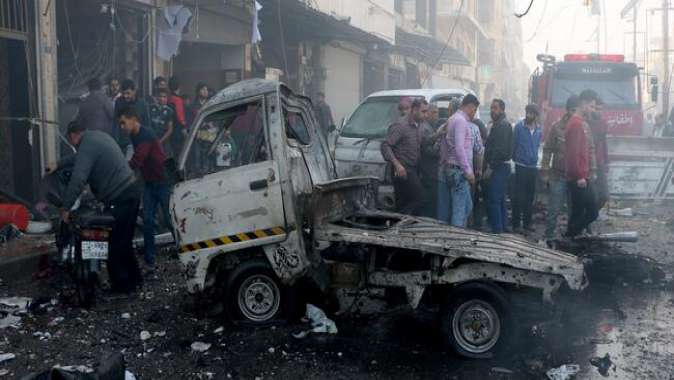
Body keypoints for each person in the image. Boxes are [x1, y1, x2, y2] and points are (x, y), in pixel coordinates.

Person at [49, 121, 142, 294]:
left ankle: (122, 288)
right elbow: (78, 159)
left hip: (120, 195)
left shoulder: (87, 144)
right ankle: (135, 280)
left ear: (74, 135)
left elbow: (78, 179)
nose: (73, 145)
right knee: (124, 241)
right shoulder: (96, 136)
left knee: (114, 245)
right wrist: (59, 163)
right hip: (130, 191)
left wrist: (66, 208)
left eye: (71, 141)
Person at [119, 106, 172, 274]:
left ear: (133, 119)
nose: (122, 127)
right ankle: (150, 262)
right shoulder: (134, 135)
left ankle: (187, 252)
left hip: (163, 182)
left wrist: (120, 172)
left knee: (171, 222)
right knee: (148, 222)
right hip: (150, 184)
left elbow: (137, 161)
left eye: (123, 123)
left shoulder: (145, 135)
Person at [437, 95, 480, 227]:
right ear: (470, 106)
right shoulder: (461, 121)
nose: (474, 114)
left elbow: (444, 145)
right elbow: (459, 148)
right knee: (460, 211)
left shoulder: (452, 119)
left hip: (451, 169)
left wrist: (444, 164)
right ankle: (457, 242)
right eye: (474, 110)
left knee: (467, 206)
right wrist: (468, 171)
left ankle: (455, 234)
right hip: (459, 171)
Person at [381, 99, 428, 215]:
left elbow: (423, 143)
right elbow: (385, 145)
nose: (425, 115)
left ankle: (401, 227)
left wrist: (438, 134)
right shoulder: (401, 125)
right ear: (415, 110)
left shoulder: (420, 125)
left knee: (405, 201)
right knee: (420, 198)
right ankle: (399, 222)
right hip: (403, 168)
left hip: (414, 168)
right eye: (423, 111)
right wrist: (397, 165)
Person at [541, 96, 577, 245]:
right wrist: (545, 171)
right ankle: (548, 235)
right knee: (554, 208)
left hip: (575, 177)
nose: (575, 114)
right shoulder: (556, 127)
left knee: (574, 209)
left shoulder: (582, 127)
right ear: (567, 110)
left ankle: (572, 235)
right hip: (558, 175)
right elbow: (547, 149)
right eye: (573, 110)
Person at [565, 90, 599, 238]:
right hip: (578, 178)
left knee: (579, 212)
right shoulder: (576, 124)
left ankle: (571, 238)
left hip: (582, 176)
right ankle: (570, 236)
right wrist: (580, 176)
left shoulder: (578, 123)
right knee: (592, 212)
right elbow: (573, 153)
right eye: (591, 106)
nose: (592, 110)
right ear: (583, 104)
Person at [511, 104, 542, 233]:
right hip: (521, 166)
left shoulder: (539, 130)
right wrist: (517, 159)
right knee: (518, 196)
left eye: (531, 113)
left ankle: (527, 223)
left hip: (532, 167)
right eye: (527, 112)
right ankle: (516, 224)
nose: (528, 115)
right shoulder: (519, 127)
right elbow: (513, 145)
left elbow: (537, 146)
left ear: (536, 115)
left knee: (530, 197)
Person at [484, 99, 512, 234]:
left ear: (502, 109)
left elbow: (500, 150)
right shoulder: (499, 124)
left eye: (495, 108)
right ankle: (503, 228)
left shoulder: (502, 125)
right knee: (500, 199)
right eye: (491, 108)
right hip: (501, 166)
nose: (492, 111)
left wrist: (491, 167)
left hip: (499, 166)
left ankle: (497, 232)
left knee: (494, 199)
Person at [115, 79, 151, 157]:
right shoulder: (119, 102)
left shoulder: (143, 104)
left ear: (134, 91)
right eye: (123, 93)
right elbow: (116, 124)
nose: (125, 96)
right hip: (122, 143)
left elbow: (147, 125)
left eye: (128, 93)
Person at [419, 104, 441, 218]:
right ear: (427, 114)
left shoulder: (431, 127)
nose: (436, 115)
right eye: (434, 113)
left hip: (432, 171)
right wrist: (440, 152)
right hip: (428, 171)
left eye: (437, 112)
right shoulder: (425, 128)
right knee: (430, 200)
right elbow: (426, 150)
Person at [588, 98, 609, 210]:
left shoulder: (603, 123)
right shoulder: (585, 123)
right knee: (591, 195)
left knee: (604, 195)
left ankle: (592, 214)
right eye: (596, 109)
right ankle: (588, 219)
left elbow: (604, 143)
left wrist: (606, 162)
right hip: (588, 164)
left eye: (601, 109)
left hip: (599, 162)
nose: (599, 111)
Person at [149, 87, 175, 164]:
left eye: (164, 97)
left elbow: (170, 130)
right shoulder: (151, 108)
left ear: (167, 98)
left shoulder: (169, 111)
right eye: (160, 96)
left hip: (164, 142)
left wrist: (160, 141)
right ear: (157, 97)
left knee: (165, 163)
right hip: (152, 140)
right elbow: (148, 124)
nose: (162, 99)